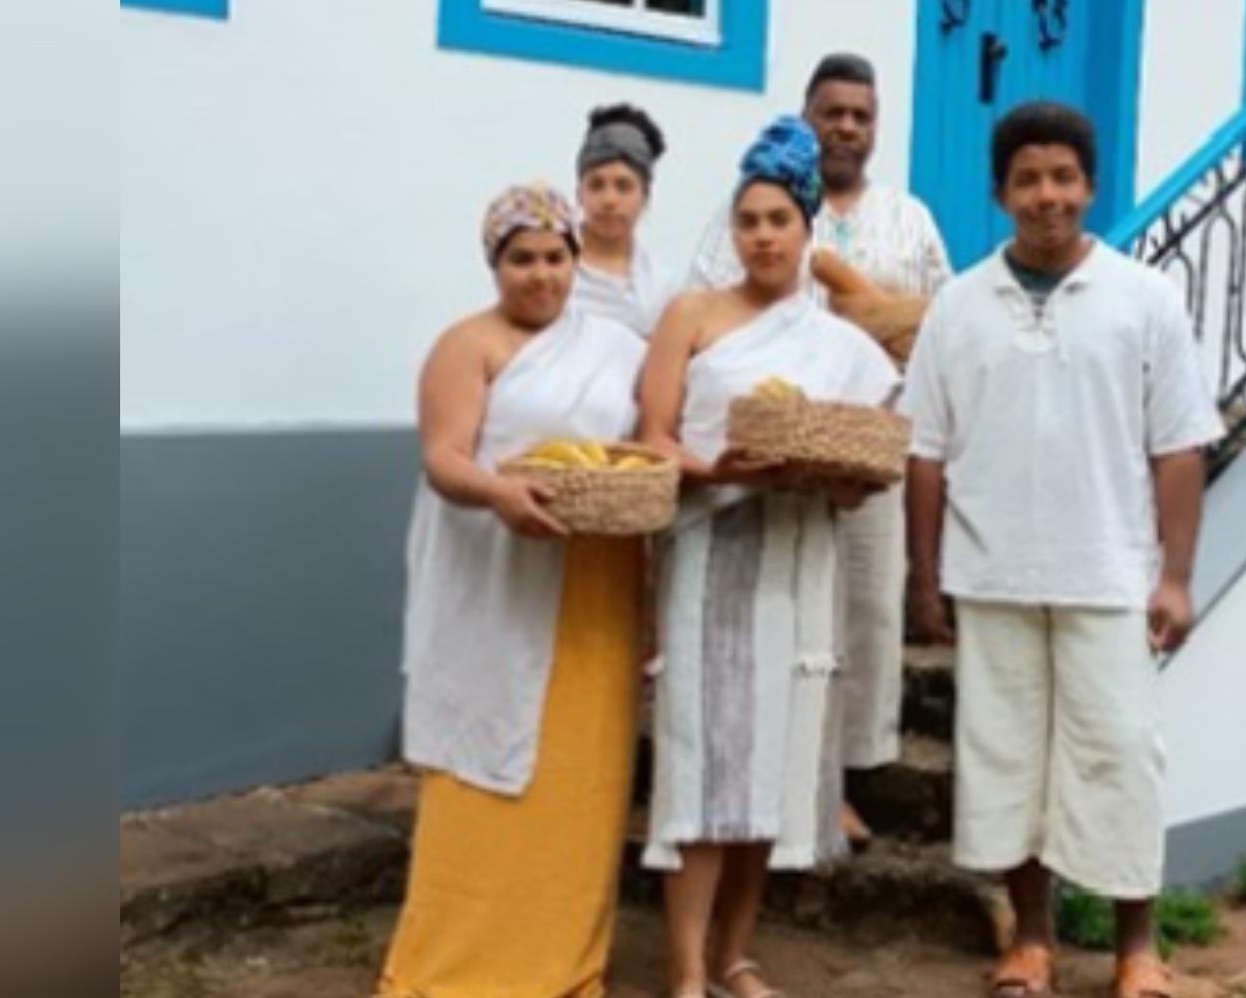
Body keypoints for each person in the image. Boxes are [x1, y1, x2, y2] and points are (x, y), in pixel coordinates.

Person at [901, 103, 1224, 998]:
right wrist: (924, 579)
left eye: (1063, 177)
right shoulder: (958, 306)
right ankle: (1031, 941)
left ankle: (1137, 949)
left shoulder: (1144, 298)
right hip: (991, 573)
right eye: (1027, 179)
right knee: (1006, 760)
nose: (1046, 195)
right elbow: (924, 453)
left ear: (1090, 185)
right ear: (999, 192)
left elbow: (1180, 445)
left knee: (1120, 752)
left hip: (1110, 573)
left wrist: (1176, 577)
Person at [639, 117, 902, 998]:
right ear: (732, 228)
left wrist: (835, 475)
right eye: (748, 220)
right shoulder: (692, 315)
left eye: (778, 220)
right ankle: (685, 970)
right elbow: (652, 436)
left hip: (798, 559)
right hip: (711, 553)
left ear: (806, 229)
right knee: (701, 759)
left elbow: (864, 473)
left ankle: (736, 956)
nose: (762, 236)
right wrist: (718, 468)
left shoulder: (839, 343)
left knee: (773, 765)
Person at [378, 184, 650, 998]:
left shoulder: (616, 346)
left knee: (582, 780)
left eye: (555, 257)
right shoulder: (467, 344)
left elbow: (646, 440)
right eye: (522, 259)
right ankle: (455, 966)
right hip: (494, 584)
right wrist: (500, 493)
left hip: (594, 583)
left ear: (575, 260)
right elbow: (444, 457)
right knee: (482, 771)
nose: (541, 275)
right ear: (494, 265)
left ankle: (559, 962)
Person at [689, 53, 953, 846]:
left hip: (869, 443)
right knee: (779, 608)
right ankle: (768, 767)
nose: (845, 126)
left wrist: (886, 322)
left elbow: (945, 325)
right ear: (806, 117)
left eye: (860, 116)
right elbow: (704, 307)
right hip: (766, 445)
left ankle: (841, 777)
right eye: (831, 112)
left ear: (876, 128)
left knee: (864, 608)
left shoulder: (909, 218)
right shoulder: (757, 210)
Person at [571, 103, 676, 336]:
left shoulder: (659, 285)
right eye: (596, 185)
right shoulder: (549, 265)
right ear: (579, 194)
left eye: (623, 186)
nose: (609, 200)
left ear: (645, 198)